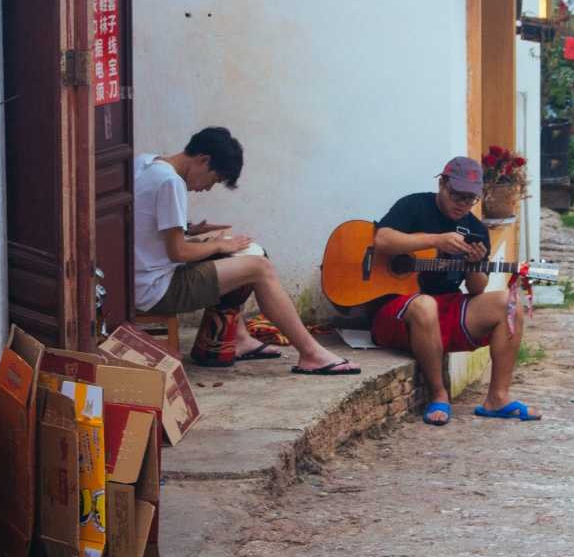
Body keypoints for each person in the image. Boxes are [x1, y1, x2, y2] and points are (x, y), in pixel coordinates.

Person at [134, 127, 359, 375]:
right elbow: (178, 253)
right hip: (155, 289)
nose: (207, 188)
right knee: (258, 266)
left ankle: (239, 338)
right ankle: (311, 353)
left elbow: (146, 225)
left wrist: (191, 230)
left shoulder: (146, 163)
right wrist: (217, 246)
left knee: (231, 239)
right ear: (204, 160)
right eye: (214, 180)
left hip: (139, 274)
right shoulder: (171, 182)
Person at [371, 157, 541, 425]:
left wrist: (474, 265)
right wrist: (435, 240)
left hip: (444, 310)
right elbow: (382, 239)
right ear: (442, 184)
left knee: (509, 303)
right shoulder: (415, 205)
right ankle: (439, 394)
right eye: (457, 195)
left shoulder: (474, 229)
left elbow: (476, 289)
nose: (462, 204)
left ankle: (498, 397)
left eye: (470, 199)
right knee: (424, 304)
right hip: (396, 312)